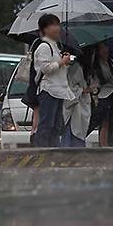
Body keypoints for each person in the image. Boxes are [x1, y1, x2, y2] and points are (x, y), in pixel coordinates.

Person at [33, 14, 75, 147]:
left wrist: (65, 61)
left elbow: (57, 68)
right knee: (47, 125)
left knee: (56, 126)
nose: (57, 28)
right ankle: (42, 154)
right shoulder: (44, 47)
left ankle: (54, 153)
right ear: (45, 29)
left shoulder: (56, 46)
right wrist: (61, 62)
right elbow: (46, 68)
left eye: (58, 24)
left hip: (58, 90)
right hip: (49, 90)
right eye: (53, 25)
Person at [62, 55, 93, 147]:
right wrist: (84, 90)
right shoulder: (76, 68)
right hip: (75, 104)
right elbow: (71, 86)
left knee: (75, 130)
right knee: (74, 130)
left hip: (77, 103)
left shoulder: (76, 67)